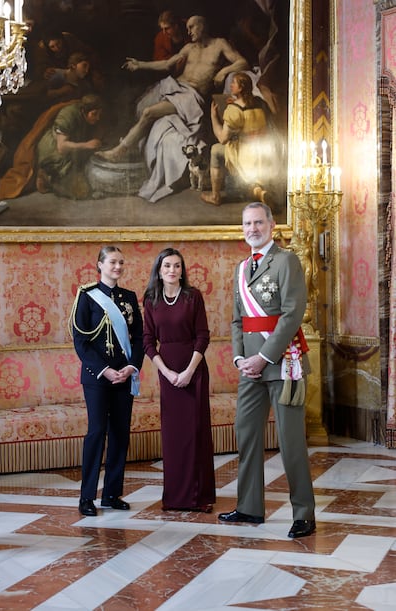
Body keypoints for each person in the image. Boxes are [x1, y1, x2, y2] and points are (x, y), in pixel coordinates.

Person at [218, 202, 316, 539]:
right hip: (250, 369)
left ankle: (304, 512)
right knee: (246, 435)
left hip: (283, 364)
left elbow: (292, 313)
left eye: (258, 222)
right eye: (247, 223)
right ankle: (249, 507)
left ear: (271, 225)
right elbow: (236, 321)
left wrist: (264, 357)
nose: (252, 229)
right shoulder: (240, 268)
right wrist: (240, 359)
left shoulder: (286, 261)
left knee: (290, 443)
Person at [97, 15, 248, 202]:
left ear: (203, 26)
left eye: (192, 27)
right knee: (141, 105)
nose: (189, 31)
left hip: (191, 97)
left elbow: (242, 62)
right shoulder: (188, 48)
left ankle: (120, 150)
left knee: (148, 112)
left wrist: (223, 71)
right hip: (174, 87)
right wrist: (140, 65)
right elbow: (167, 64)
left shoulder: (220, 44)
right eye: (188, 27)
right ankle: (133, 145)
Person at [68, 245, 144, 517]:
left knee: (121, 434)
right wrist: (105, 370)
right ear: (100, 265)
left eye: (121, 262)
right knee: (97, 432)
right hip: (97, 378)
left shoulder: (130, 297)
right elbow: (81, 342)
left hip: (124, 376)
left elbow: (138, 338)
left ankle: (112, 494)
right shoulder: (87, 297)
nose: (118, 267)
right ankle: (86, 497)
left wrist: (132, 366)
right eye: (112, 262)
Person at [143, 248, 216, 512]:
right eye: (167, 267)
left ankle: (200, 497)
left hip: (193, 369)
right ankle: (174, 498)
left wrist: (188, 372)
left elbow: (203, 336)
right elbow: (148, 342)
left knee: (195, 433)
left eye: (177, 266)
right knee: (174, 437)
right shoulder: (150, 300)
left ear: (182, 270)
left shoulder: (192, 297)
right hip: (168, 372)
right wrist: (166, 372)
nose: (172, 271)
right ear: (159, 272)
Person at [201, 71, 276, 206]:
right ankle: (260, 193)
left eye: (234, 83)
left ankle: (215, 196)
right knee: (252, 182)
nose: (231, 85)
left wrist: (213, 117)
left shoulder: (233, 110)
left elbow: (222, 139)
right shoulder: (259, 104)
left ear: (241, 88)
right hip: (261, 152)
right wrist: (236, 103)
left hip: (245, 154)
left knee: (215, 150)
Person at [35, 93, 104, 198]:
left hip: (72, 151)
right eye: (94, 114)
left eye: (99, 114)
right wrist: (86, 145)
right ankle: (47, 177)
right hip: (54, 152)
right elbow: (61, 147)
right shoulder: (67, 115)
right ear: (83, 111)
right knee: (82, 192)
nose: (97, 118)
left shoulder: (86, 116)